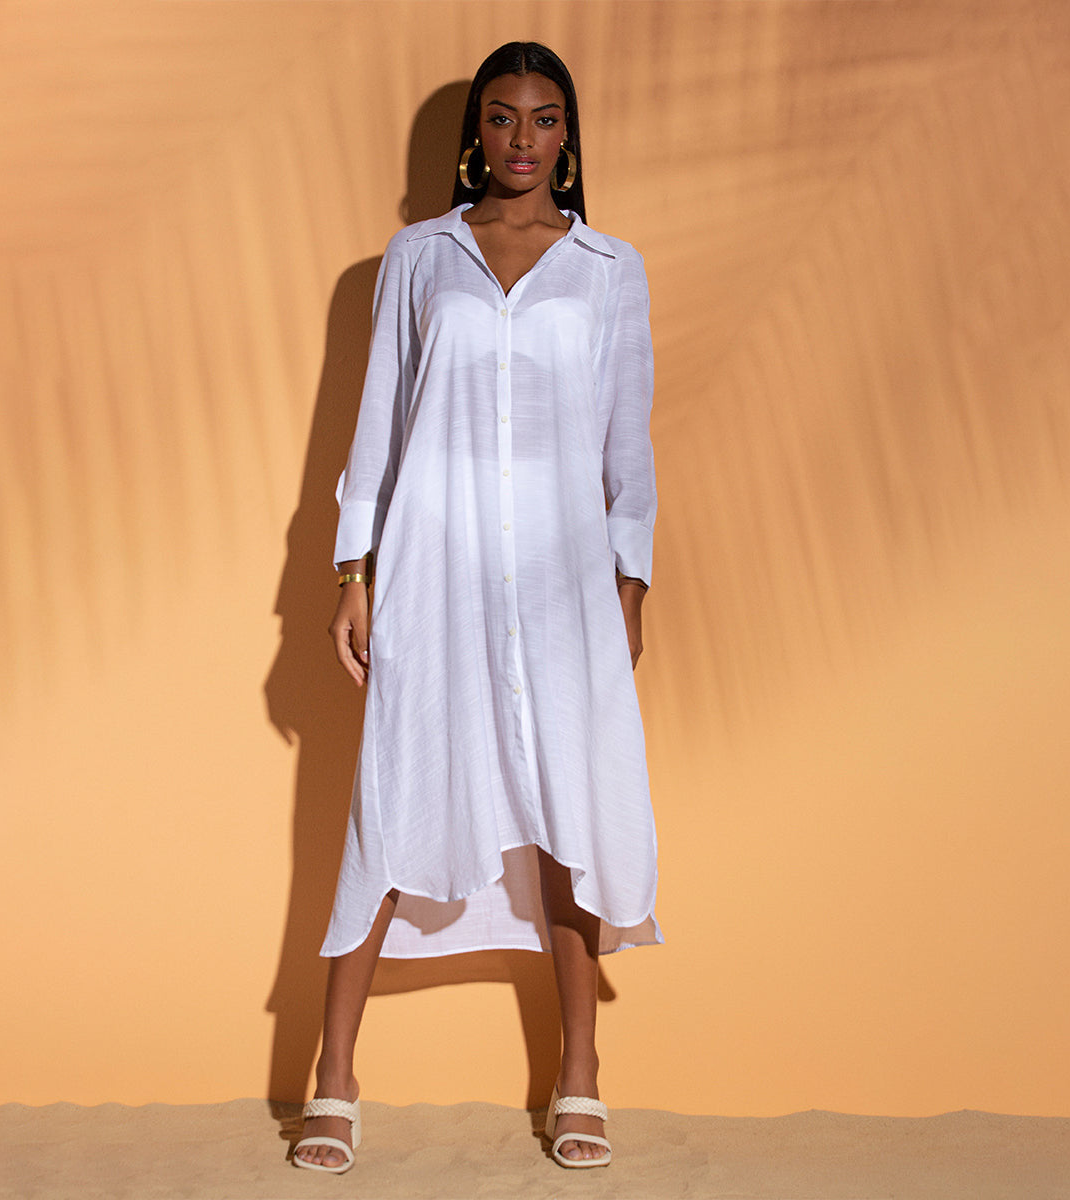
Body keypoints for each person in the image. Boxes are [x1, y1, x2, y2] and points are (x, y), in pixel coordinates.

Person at [292, 41, 659, 1174]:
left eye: (543, 120)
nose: (521, 140)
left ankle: (580, 1075)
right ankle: (334, 1078)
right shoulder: (420, 258)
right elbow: (377, 424)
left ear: (568, 134)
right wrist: (353, 575)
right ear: (477, 134)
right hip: (434, 573)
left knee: (565, 808)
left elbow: (629, 449)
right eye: (502, 118)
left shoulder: (608, 268)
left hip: (562, 582)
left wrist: (630, 590)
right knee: (391, 794)